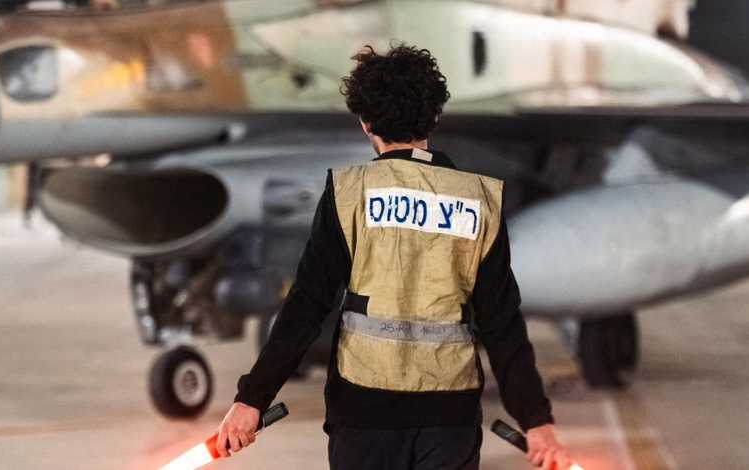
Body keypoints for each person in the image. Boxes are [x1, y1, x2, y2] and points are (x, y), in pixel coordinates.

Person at [214, 43, 573, 470]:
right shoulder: (478, 200)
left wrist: (252, 399)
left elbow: (307, 305)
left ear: (365, 122)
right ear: (435, 117)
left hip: (364, 416)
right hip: (449, 418)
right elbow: (502, 324)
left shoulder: (349, 193)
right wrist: (535, 420)